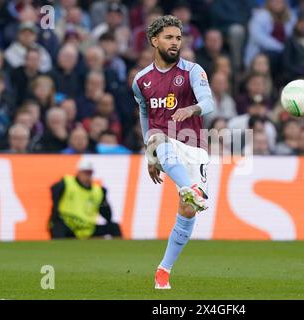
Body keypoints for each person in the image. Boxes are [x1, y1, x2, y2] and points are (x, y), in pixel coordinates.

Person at [132, 15, 215, 289]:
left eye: (178, 38)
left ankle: (163, 270)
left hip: (194, 145)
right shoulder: (141, 81)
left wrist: (192, 108)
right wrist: (150, 154)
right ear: (154, 40)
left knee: (188, 211)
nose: (175, 42)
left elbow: (208, 101)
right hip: (164, 142)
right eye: (169, 37)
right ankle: (190, 186)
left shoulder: (192, 70)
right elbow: (146, 116)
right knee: (157, 137)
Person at [49, 159, 122, 239]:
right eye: (85, 173)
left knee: (114, 227)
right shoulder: (67, 183)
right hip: (68, 224)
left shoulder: (97, 191)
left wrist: (104, 201)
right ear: (79, 172)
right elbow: (54, 192)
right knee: (57, 227)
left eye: (90, 173)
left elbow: (107, 215)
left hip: (87, 228)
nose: (88, 176)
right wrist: (55, 216)